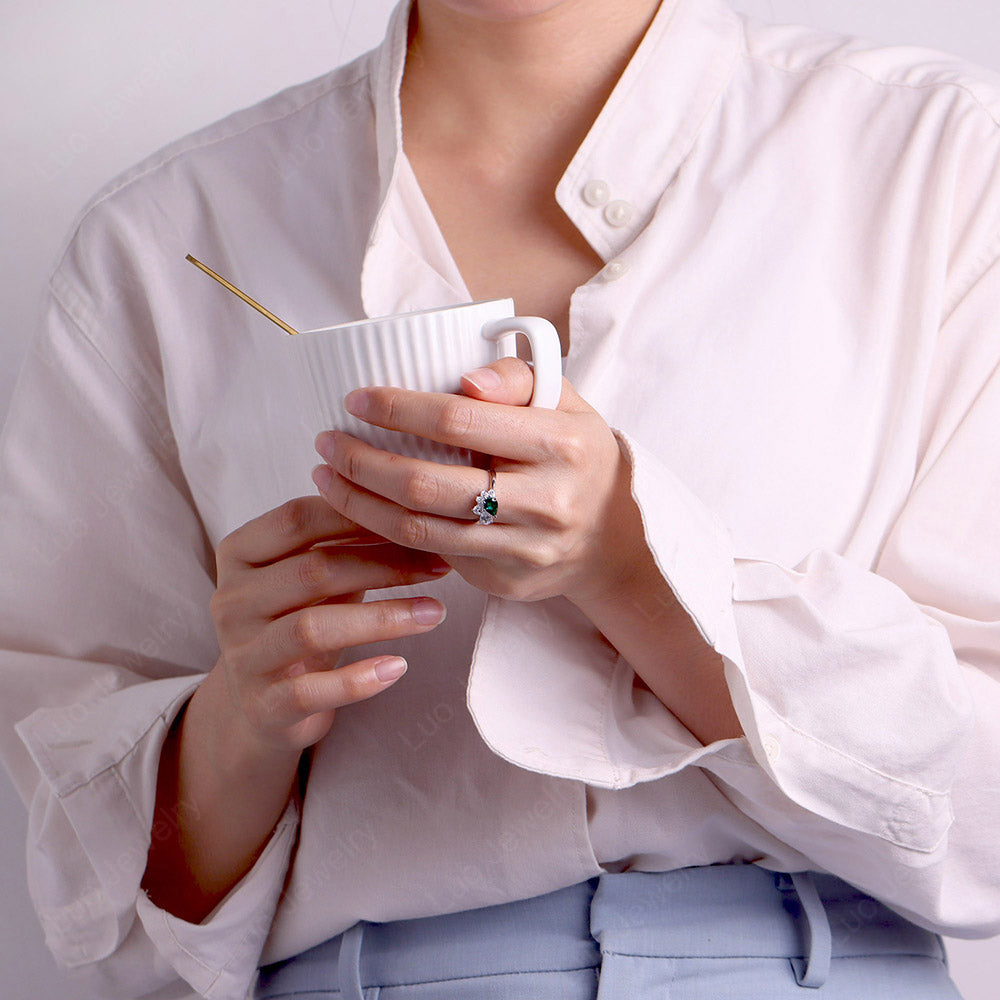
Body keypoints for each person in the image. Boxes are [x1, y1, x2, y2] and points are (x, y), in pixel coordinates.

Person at [2, 0, 1000, 997]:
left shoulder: (938, 158)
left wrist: (629, 563)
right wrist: (242, 716)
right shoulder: (169, 239)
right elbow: (106, 915)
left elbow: (983, 825)